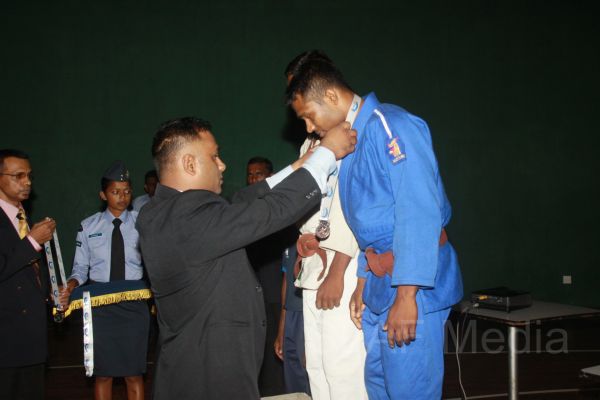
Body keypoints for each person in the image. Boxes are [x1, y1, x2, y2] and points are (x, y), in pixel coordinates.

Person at [136, 116, 356, 400]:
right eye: (214, 156)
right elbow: (272, 210)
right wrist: (327, 152)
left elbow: (240, 203)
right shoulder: (187, 218)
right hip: (210, 377)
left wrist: (299, 165)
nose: (222, 165)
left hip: (189, 367)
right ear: (189, 164)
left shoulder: (159, 213)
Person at [286, 52, 463, 399]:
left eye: (309, 116)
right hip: (380, 286)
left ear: (331, 96)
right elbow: (368, 224)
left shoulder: (391, 125)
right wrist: (363, 282)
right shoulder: (353, 140)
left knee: (409, 390)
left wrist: (408, 294)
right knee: (378, 387)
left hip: (413, 286)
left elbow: (418, 210)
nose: (308, 127)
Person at [283, 51, 367, 400]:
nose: (305, 121)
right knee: (315, 365)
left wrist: (338, 269)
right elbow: (312, 202)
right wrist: (304, 237)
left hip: (342, 265)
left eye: (302, 95)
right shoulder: (314, 141)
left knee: (342, 366)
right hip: (316, 262)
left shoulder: (357, 135)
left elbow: (354, 209)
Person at [59, 161, 149, 400]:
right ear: (103, 195)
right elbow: (80, 268)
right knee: (103, 374)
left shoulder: (144, 223)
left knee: (134, 373)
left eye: (127, 191)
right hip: (100, 306)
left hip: (134, 304)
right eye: (115, 192)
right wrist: (71, 284)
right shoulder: (88, 226)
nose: (122, 197)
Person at [0, 149, 56, 400]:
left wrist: (51, 293)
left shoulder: (23, 217)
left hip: (32, 337)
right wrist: (32, 241)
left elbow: (30, 272)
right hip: (6, 339)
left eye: (29, 175)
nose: (27, 182)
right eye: (18, 176)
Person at [242, 156, 293, 396]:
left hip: (276, 287)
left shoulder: (279, 204)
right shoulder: (244, 207)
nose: (253, 179)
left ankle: (277, 393)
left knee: (277, 343)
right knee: (256, 347)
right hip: (252, 290)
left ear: (270, 176)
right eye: (250, 174)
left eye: (258, 174)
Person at [274, 244, 311, 395]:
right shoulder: (288, 240)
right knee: (293, 382)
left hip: (308, 314)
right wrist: (281, 329)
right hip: (291, 315)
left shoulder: (316, 235)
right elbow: (286, 280)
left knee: (311, 376)